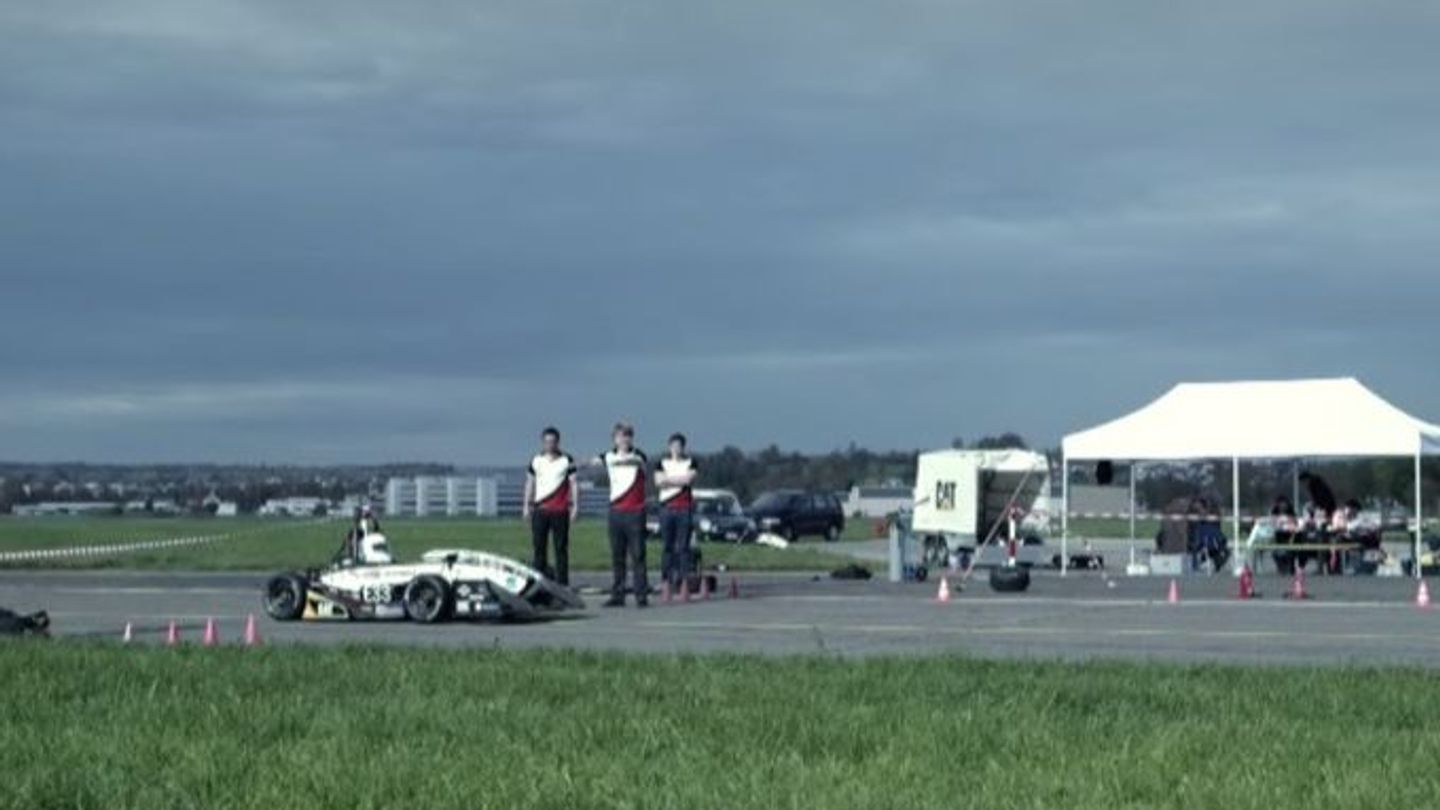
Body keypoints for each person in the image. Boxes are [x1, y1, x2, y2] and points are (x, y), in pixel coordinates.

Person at [592, 422, 649, 607]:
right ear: (614, 439)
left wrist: (618, 461)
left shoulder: (638, 455)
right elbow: (593, 462)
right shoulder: (608, 456)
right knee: (617, 555)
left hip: (635, 511)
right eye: (620, 436)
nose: (624, 440)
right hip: (616, 511)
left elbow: (635, 462)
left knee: (638, 554)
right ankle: (618, 594)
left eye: (627, 436)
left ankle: (641, 594)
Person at [523, 426, 579, 586]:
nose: (550, 445)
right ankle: (540, 583)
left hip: (560, 511)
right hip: (541, 510)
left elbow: (574, 483)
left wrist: (575, 506)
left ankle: (562, 584)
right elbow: (530, 483)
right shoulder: (536, 460)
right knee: (539, 549)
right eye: (547, 441)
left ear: (558, 442)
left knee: (561, 549)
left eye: (553, 441)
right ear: (543, 442)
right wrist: (526, 505)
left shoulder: (567, 460)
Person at [654, 432, 699, 596]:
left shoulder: (691, 462)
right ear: (669, 447)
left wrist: (669, 480)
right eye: (673, 445)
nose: (676, 448)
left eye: (679, 446)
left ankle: (682, 580)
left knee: (683, 547)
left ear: (683, 448)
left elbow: (688, 480)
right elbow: (659, 482)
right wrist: (677, 480)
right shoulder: (662, 463)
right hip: (667, 508)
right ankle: (666, 580)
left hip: (684, 508)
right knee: (667, 546)